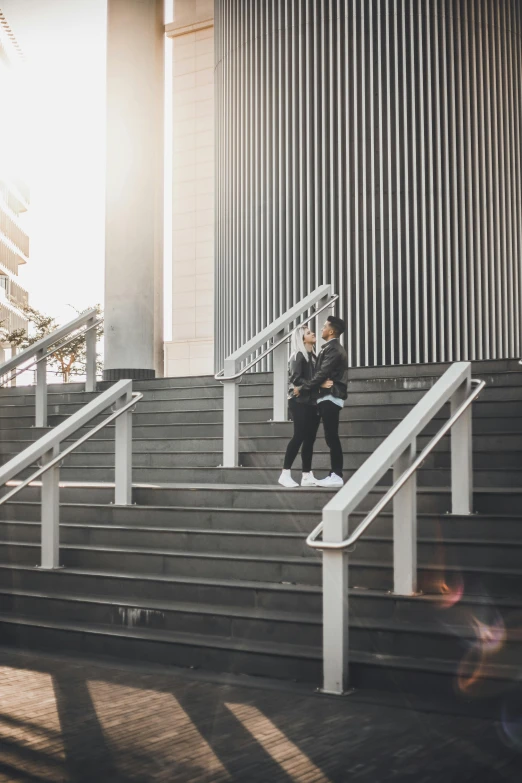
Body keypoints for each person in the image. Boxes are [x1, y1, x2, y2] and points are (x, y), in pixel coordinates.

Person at [293, 315, 348, 488]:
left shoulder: (333, 349)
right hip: (325, 397)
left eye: (324, 327)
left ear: (331, 331)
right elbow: (320, 375)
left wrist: (303, 388)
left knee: (332, 437)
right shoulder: (328, 349)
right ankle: (334, 473)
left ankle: (337, 474)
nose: (321, 329)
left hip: (331, 396)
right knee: (330, 437)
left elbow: (322, 373)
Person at [278, 325, 332, 488]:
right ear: (302, 339)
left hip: (312, 402)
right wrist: (319, 384)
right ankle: (285, 473)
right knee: (299, 435)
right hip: (299, 402)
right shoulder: (298, 356)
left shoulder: (314, 357)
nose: (313, 333)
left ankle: (306, 475)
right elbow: (296, 380)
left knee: (310, 439)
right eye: (309, 333)